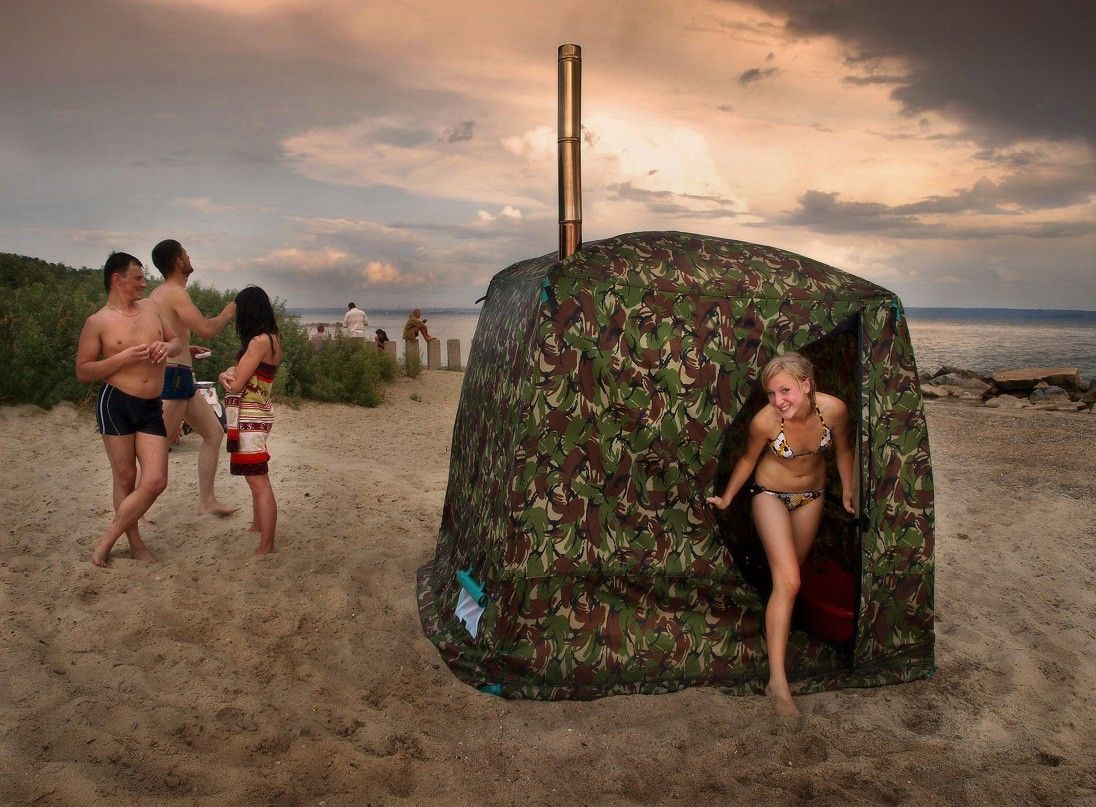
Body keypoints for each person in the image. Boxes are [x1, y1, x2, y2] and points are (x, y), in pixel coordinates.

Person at [706, 352, 854, 718]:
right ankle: (777, 683)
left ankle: (774, 621)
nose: (778, 401)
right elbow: (747, 459)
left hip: (812, 497)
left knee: (789, 580)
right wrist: (727, 497)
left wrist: (849, 491)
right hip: (769, 495)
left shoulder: (834, 410)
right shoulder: (765, 421)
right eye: (771, 393)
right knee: (788, 580)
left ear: (806, 384)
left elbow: (845, 450)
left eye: (785, 391)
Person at [75, 252, 180, 567]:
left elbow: (177, 342)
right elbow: (83, 371)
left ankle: (107, 539)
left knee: (156, 480)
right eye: (138, 278)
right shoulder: (98, 322)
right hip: (116, 402)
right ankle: (135, 543)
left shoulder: (152, 308)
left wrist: (166, 347)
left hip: (151, 405)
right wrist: (121, 359)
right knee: (125, 477)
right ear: (117, 279)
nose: (145, 283)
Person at [149, 239, 238, 517]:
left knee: (214, 433)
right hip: (174, 377)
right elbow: (207, 329)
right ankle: (135, 512)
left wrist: (187, 349)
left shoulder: (158, 293)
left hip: (180, 374)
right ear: (178, 261)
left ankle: (207, 501)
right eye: (185, 254)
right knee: (159, 446)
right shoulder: (175, 292)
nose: (189, 257)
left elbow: (162, 337)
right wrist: (229, 312)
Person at [219, 286, 282, 555]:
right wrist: (231, 372)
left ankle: (267, 544)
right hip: (261, 412)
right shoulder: (273, 339)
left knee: (259, 480)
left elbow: (235, 384)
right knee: (254, 475)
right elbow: (247, 372)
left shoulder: (257, 342)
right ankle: (258, 525)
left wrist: (223, 376)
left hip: (250, 416)